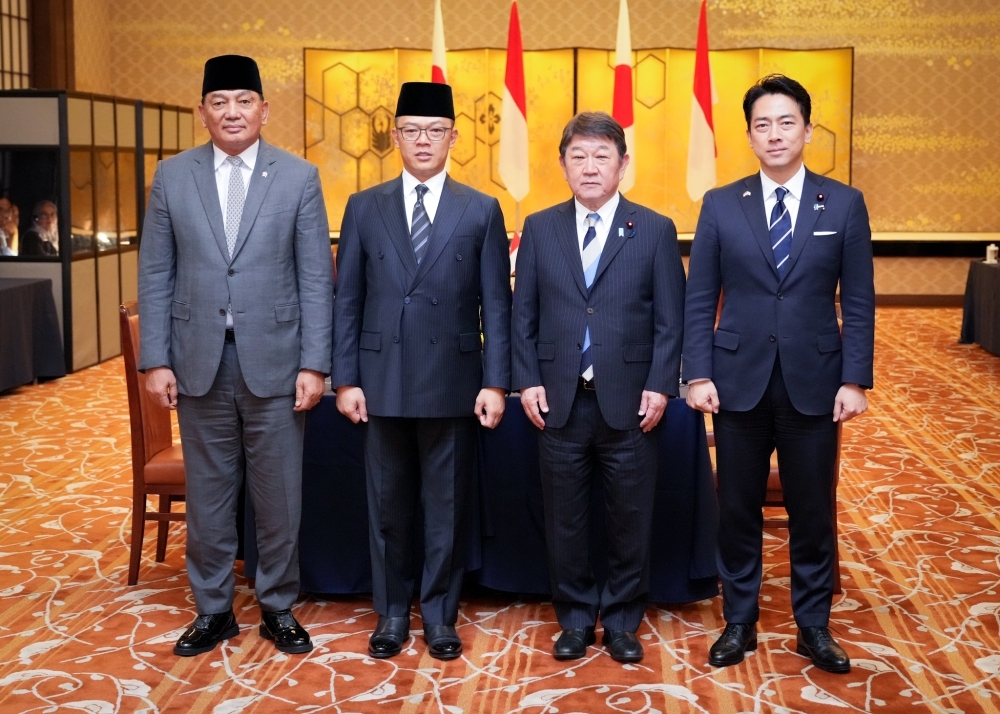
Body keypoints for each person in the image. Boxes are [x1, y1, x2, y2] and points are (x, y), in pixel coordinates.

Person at [138, 55, 334, 657]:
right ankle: (214, 609)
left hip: (277, 362)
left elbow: (313, 279)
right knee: (211, 493)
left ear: (264, 110)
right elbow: (156, 271)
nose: (231, 111)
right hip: (199, 361)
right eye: (218, 101)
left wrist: (315, 363)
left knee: (278, 494)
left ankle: (277, 605)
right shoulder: (173, 177)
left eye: (243, 100)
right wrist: (156, 358)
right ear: (202, 113)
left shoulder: (298, 177)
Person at [683, 74, 874, 674]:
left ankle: (813, 625)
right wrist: (696, 373)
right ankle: (739, 620)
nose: (774, 133)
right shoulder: (720, 203)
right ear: (749, 135)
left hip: (816, 381)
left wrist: (854, 379)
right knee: (736, 505)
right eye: (762, 124)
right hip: (736, 378)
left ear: (808, 130)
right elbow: (699, 296)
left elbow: (860, 299)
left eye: (785, 121)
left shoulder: (843, 203)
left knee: (812, 508)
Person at [333, 81, 511, 661]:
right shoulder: (365, 205)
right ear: (395, 137)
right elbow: (348, 300)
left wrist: (495, 381)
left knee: (447, 508)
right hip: (380, 378)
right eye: (412, 130)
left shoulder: (480, 209)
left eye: (435, 130)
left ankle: (439, 615)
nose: (423, 140)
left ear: (454, 137)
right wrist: (346, 378)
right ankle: (390, 613)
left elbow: (495, 305)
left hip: (454, 380)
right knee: (386, 506)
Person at [511, 112, 686, 663]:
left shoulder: (654, 228)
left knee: (631, 515)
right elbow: (524, 316)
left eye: (601, 156)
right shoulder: (540, 227)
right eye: (578, 157)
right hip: (558, 399)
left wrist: (660, 386)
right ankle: (577, 617)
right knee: (564, 518)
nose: (589, 167)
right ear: (562, 164)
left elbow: (669, 320)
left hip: (632, 400)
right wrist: (527, 381)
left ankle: (624, 620)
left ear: (623, 164)